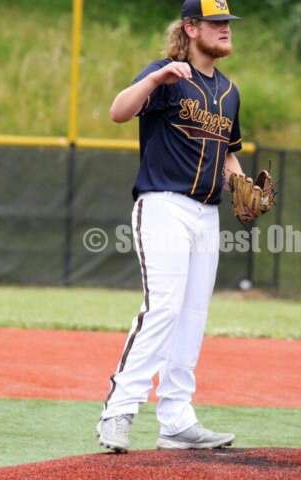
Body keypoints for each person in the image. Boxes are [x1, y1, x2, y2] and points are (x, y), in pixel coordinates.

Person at [96, 0, 245, 453]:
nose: (225, 30)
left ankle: (177, 419)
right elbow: (119, 112)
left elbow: (228, 151)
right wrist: (155, 79)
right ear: (190, 27)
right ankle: (118, 411)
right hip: (163, 204)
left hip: (207, 213)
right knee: (162, 307)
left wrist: (240, 184)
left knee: (193, 316)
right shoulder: (166, 73)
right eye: (215, 23)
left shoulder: (229, 91)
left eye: (227, 23)